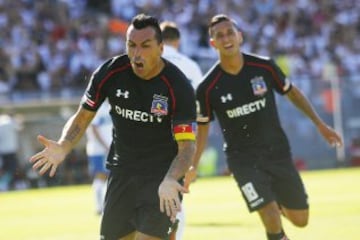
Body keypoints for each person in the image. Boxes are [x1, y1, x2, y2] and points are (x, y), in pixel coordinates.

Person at [29, 14, 197, 240]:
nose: (137, 54)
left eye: (145, 46)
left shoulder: (178, 86)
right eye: (131, 45)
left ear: (161, 48)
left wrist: (171, 179)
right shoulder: (110, 72)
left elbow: (187, 147)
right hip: (122, 174)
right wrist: (63, 145)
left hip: (161, 177)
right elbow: (82, 117)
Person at [185, 14, 343, 240]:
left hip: (277, 152)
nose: (226, 38)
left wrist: (320, 124)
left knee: (301, 220)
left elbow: (293, 93)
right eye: (219, 36)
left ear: (240, 36)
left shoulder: (264, 66)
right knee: (270, 216)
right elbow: (202, 128)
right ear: (213, 43)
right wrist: (193, 165)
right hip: (243, 160)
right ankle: (270, 210)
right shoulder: (208, 87)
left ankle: (274, 202)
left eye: (230, 32)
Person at [160, 20, 203, 240]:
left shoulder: (153, 60)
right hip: (183, 136)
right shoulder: (190, 65)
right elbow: (201, 108)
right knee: (174, 190)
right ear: (178, 40)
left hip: (151, 135)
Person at [85, 100, 112, 215]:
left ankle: (104, 206)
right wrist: (105, 146)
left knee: (109, 177)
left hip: (109, 148)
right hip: (99, 149)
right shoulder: (97, 107)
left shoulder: (110, 106)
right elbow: (93, 128)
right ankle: (99, 207)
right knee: (101, 176)